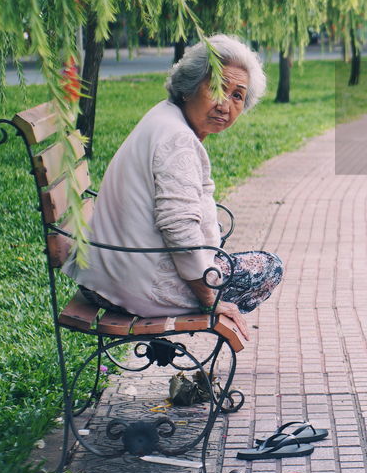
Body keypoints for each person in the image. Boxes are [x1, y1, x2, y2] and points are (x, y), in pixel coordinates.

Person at [64, 35, 281, 343]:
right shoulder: (177, 140)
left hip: (110, 274)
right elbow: (180, 231)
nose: (225, 105)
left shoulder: (165, 117)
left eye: (237, 96)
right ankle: (211, 308)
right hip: (133, 286)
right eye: (217, 88)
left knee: (239, 263)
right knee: (269, 268)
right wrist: (212, 301)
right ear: (190, 85)